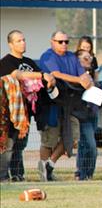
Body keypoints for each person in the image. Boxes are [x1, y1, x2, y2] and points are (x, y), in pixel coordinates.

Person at [0, 30, 55, 182]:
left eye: (23, 39)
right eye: (18, 41)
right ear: (10, 44)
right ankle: (3, 177)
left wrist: (50, 79)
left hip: (26, 113)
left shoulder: (30, 62)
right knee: (8, 145)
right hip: (11, 114)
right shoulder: (5, 63)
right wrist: (43, 75)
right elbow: (17, 75)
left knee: (20, 145)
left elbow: (44, 83)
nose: (23, 43)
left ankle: (18, 175)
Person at [38, 31, 93, 181]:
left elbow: (83, 75)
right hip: (52, 106)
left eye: (66, 42)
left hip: (71, 106)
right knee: (49, 141)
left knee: (73, 138)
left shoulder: (71, 57)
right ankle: (44, 171)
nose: (64, 44)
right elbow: (56, 74)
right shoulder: (47, 56)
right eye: (60, 41)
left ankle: (49, 164)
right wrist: (79, 79)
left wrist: (87, 80)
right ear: (52, 42)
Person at [74, 49, 98, 180]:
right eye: (85, 58)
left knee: (88, 145)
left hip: (92, 113)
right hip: (82, 115)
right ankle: (83, 173)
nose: (89, 60)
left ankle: (88, 174)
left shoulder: (92, 73)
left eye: (90, 57)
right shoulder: (77, 76)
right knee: (89, 145)